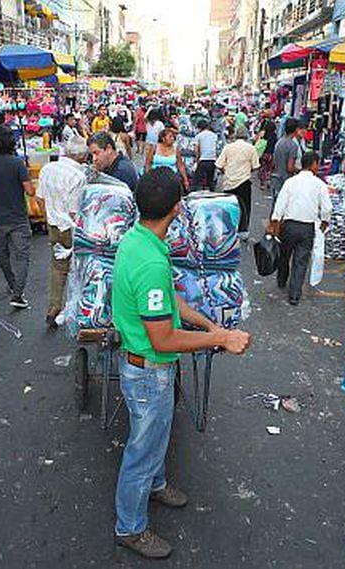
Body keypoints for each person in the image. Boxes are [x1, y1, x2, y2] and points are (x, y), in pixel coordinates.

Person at [112, 168, 251, 559]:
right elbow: (164, 338)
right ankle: (130, 527)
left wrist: (207, 323)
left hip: (151, 366)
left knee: (155, 438)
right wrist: (221, 337)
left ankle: (155, 485)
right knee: (142, 449)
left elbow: (170, 302)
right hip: (148, 370)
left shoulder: (140, 240)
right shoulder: (150, 262)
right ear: (176, 208)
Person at [0, 126, 35, 309]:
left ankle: (12, 285)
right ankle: (18, 294)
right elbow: (30, 191)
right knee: (22, 257)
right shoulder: (16, 163)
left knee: (4, 255)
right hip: (17, 216)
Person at [37, 136, 89, 328]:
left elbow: (40, 199)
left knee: (58, 268)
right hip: (71, 228)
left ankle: (54, 308)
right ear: (82, 157)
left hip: (53, 225)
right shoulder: (78, 176)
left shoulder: (48, 169)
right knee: (78, 270)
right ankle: (77, 310)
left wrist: (48, 219)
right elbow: (75, 211)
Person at [269, 151, 332, 305]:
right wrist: (325, 222)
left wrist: (275, 220)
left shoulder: (291, 182)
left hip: (289, 225)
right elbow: (327, 208)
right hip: (307, 228)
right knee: (301, 261)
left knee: (285, 255)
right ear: (313, 164)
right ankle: (294, 294)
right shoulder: (319, 184)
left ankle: (282, 281)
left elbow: (280, 203)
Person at [215, 125, 259, 239]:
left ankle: (228, 230)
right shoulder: (251, 148)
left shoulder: (228, 147)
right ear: (246, 136)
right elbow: (255, 166)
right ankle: (243, 231)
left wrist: (225, 171)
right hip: (244, 182)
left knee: (229, 207)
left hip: (229, 182)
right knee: (244, 208)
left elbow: (219, 164)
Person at [270, 118, 302, 202]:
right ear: (296, 129)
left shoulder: (279, 142)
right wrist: (300, 170)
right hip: (285, 180)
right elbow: (290, 168)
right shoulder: (293, 145)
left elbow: (273, 163)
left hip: (276, 178)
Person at [192, 119, 218, 190]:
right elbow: (217, 148)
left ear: (199, 128)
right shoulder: (214, 135)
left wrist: (196, 161)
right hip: (213, 160)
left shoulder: (198, 136)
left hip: (203, 160)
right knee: (210, 180)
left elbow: (196, 151)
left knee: (196, 181)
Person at [257, 114, 277, 187]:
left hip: (263, 154)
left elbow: (259, 142)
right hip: (271, 154)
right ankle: (268, 180)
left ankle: (262, 183)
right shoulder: (274, 136)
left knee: (262, 168)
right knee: (270, 168)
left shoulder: (264, 134)